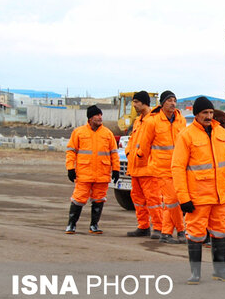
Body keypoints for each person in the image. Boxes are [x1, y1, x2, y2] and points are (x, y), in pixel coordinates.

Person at [171, 97, 225, 284]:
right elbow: (177, 168)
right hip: (198, 196)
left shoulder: (221, 133)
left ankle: (220, 270)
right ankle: (196, 273)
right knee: (195, 233)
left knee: (220, 231)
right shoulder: (186, 135)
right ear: (197, 115)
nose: (208, 116)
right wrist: (183, 197)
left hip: (220, 195)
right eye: (204, 113)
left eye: (210, 113)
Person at [137, 90, 187, 244]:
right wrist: (141, 162)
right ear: (162, 103)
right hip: (161, 168)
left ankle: (165, 233)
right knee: (172, 200)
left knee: (174, 201)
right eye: (169, 100)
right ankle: (181, 230)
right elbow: (144, 144)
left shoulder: (181, 120)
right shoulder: (152, 122)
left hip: (178, 168)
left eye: (174, 100)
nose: (172, 103)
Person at [65, 105, 120, 234]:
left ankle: (94, 225)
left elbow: (114, 153)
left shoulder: (107, 134)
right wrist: (70, 168)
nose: (100, 117)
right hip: (84, 173)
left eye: (101, 115)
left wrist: (116, 170)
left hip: (102, 173)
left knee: (99, 199)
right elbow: (71, 151)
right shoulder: (79, 132)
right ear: (90, 118)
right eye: (97, 115)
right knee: (78, 199)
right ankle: (71, 225)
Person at [125, 91, 163, 240]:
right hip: (135, 168)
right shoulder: (138, 121)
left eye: (136, 102)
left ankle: (159, 227)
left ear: (144, 103)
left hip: (149, 169)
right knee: (138, 199)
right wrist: (129, 153)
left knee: (153, 200)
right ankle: (143, 226)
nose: (134, 105)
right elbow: (132, 141)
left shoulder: (154, 120)